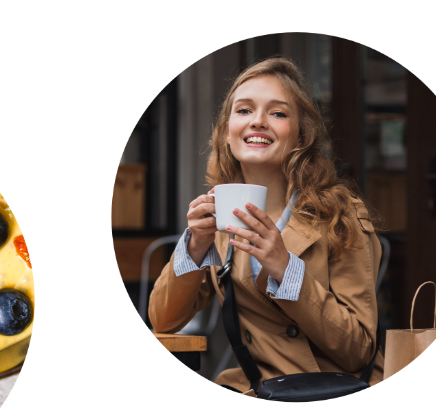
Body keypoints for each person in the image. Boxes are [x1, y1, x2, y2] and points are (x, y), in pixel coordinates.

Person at [148, 56, 388, 396]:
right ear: (227, 133)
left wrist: (286, 269)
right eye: (244, 110)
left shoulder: (341, 215)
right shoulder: (219, 219)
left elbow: (358, 348)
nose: (258, 122)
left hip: (330, 388)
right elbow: (163, 320)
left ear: (301, 135)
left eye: (277, 113)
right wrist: (194, 246)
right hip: (259, 388)